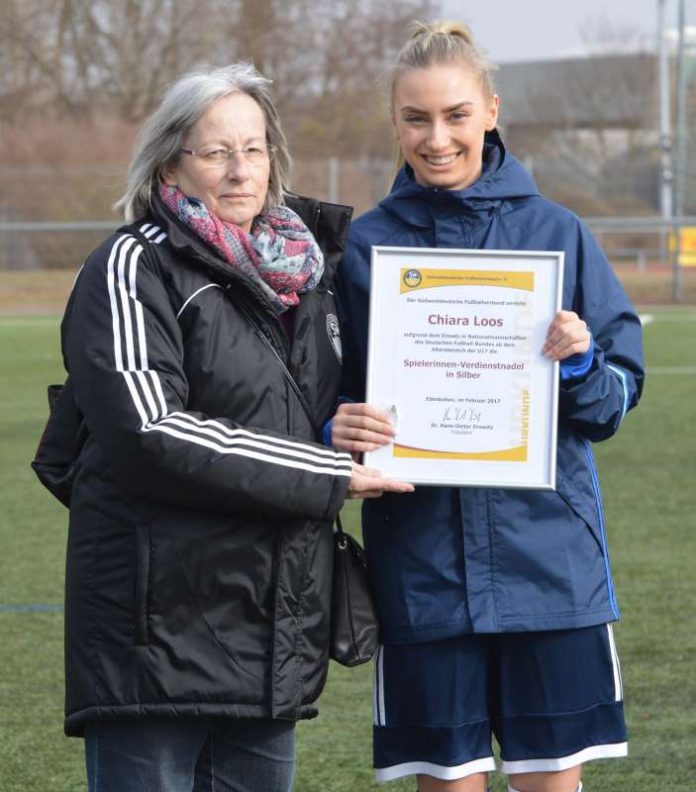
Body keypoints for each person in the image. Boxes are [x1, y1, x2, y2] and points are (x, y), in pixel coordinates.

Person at [49, 62, 412, 792]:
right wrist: (325, 472)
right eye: (215, 151)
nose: (240, 170)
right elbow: (150, 432)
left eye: (254, 148)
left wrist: (339, 432)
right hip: (156, 631)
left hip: (270, 624)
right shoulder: (132, 265)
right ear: (171, 162)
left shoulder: (306, 278)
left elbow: (292, 419)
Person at [332, 21, 644, 792]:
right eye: (416, 118)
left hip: (552, 570)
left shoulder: (559, 234)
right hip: (423, 570)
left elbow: (611, 403)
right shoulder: (365, 249)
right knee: (449, 782)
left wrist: (579, 364)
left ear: (492, 111)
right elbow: (325, 400)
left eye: (456, 115)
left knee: (549, 782)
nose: (436, 138)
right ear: (395, 122)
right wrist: (337, 426)